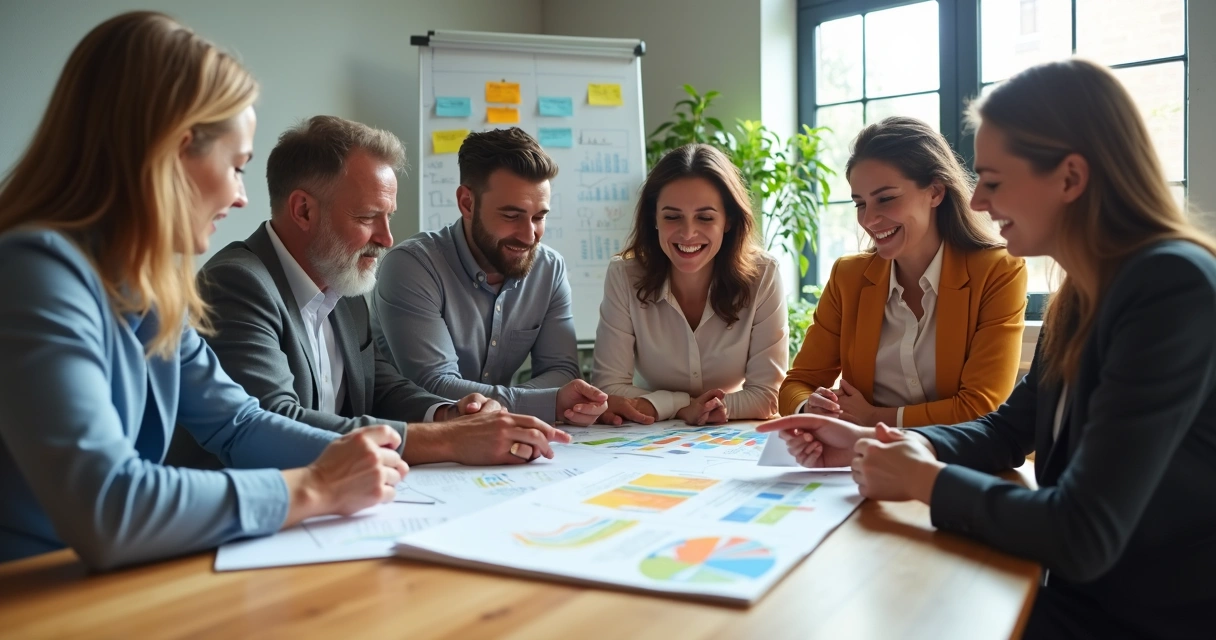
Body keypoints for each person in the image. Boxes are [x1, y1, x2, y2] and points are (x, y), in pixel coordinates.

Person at [760, 59, 1216, 638]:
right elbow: (1007, 430)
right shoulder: (1083, 292)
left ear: (1071, 178)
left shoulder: (1170, 285)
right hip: (1084, 599)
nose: (976, 202)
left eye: (994, 181)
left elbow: (1083, 533)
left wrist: (921, 480)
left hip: (1148, 619)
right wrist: (887, 442)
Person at [0, 11, 406, 569]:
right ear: (175, 152)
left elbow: (237, 423)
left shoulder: (145, 283)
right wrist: (317, 487)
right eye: (237, 166)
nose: (241, 196)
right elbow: (107, 505)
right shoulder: (32, 273)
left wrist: (373, 456)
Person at [172, 116, 569, 468]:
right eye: (367, 217)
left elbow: (380, 387)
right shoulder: (238, 283)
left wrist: (449, 414)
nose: (386, 238)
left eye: (388, 217)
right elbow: (275, 423)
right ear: (304, 210)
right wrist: (447, 439)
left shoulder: (344, 286)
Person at [780, 116, 1027, 428]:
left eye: (886, 198)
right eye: (860, 204)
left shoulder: (998, 271)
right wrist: (810, 408)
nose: (869, 219)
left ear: (935, 192)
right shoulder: (848, 277)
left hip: (952, 455)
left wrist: (874, 418)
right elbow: (796, 385)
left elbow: (980, 406)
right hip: (860, 454)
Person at [372, 127, 607, 427]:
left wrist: (523, 404)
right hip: (409, 439)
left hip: (496, 438)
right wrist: (546, 402)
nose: (529, 236)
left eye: (539, 217)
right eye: (511, 216)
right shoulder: (411, 266)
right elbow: (434, 385)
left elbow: (562, 372)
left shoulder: (549, 269)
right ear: (467, 203)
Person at [592, 144, 787, 425]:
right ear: (654, 218)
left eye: (705, 218)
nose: (688, 233)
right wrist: (683, 406)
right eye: (672, 217)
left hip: (727, 435)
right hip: (652, 436)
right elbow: (608, 389)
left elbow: (768, 396)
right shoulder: (624, 275)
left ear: (728, 220)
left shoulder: (763, 275)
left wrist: (661, 404)